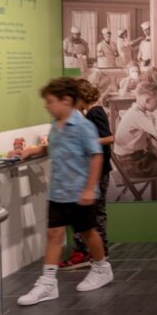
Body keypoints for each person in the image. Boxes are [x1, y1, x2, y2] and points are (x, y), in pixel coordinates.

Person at [15, 77, 113, 306]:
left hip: (79, 192)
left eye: (50, 101)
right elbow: (53, 147)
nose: (46, 106)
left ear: (66, 100)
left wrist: (90, 188)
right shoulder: (54, 125)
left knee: (89, 233)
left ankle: (102, 268)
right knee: (53, 235)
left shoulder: (83, 126)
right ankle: (48, 282)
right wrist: (35, 150)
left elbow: (96, 154)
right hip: (58, 192)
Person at [60, 79, 116, 270]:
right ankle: (99, 251)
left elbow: (109, 137)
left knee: (89, 214)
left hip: (96, 171)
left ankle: (86, 252)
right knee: (97, 213)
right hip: (98, 170)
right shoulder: (92, 113)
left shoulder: (94, 112)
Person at [112, 82, 157, 181]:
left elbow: (151, 126)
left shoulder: (136, 112)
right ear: (147, 100)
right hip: (131, 164)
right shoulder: (137, 115)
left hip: (133, 158)